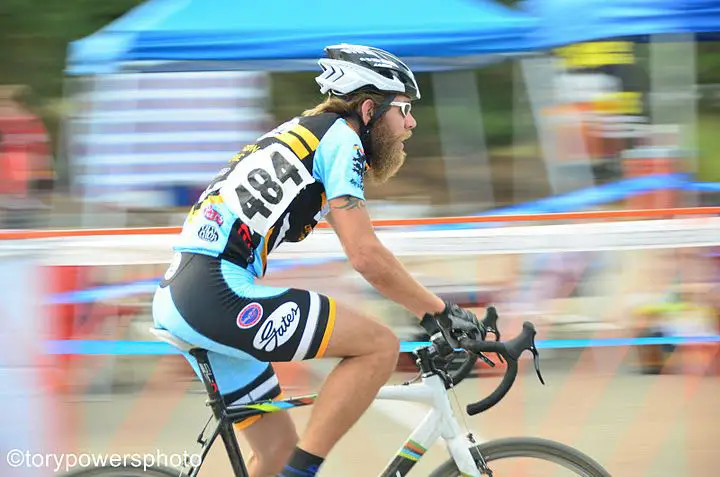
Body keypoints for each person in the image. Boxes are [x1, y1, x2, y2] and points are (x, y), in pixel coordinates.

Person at [152, 43, 484, 477]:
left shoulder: (308, 132)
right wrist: (439, 312)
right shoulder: (342, 139)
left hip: (191, 293)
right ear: (369, 109)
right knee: (379, 347)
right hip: (216, 291)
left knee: (275, 450)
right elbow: (365, 255)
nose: (411, 122)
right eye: (403, 109)